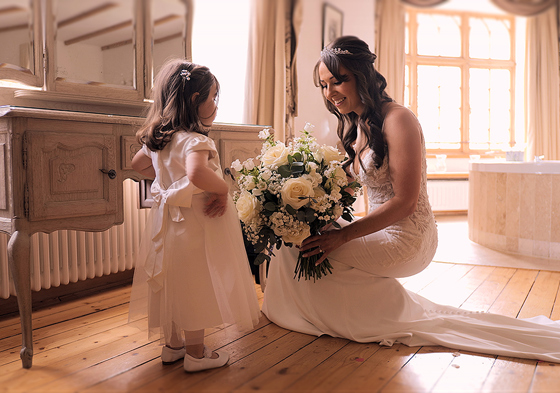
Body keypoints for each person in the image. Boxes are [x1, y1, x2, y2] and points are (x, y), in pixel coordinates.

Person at [261, 36, 560, 362]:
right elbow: (346, 185)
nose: (329, 92)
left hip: (407, 238)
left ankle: (324, 316)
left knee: (303, 247)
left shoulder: (398, 119)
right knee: (297, 235)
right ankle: (350, 313)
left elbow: (404, 201)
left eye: (338, 81)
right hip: (377, 230)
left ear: (361, 75)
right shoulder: (359, 125)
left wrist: (343, 235)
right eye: (323, 85)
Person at [128, 59, 261, 372]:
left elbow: (138, 165)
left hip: (165, 226)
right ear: (194, 101)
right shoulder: (195, 140)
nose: (215, 105)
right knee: (196, 283)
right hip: (194, 227)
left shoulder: (158, 138)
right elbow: (197, 173)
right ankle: (196, 354)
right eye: (213, 98)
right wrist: (222, 189)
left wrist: (167, 181)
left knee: (170, 280)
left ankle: (172, 346)